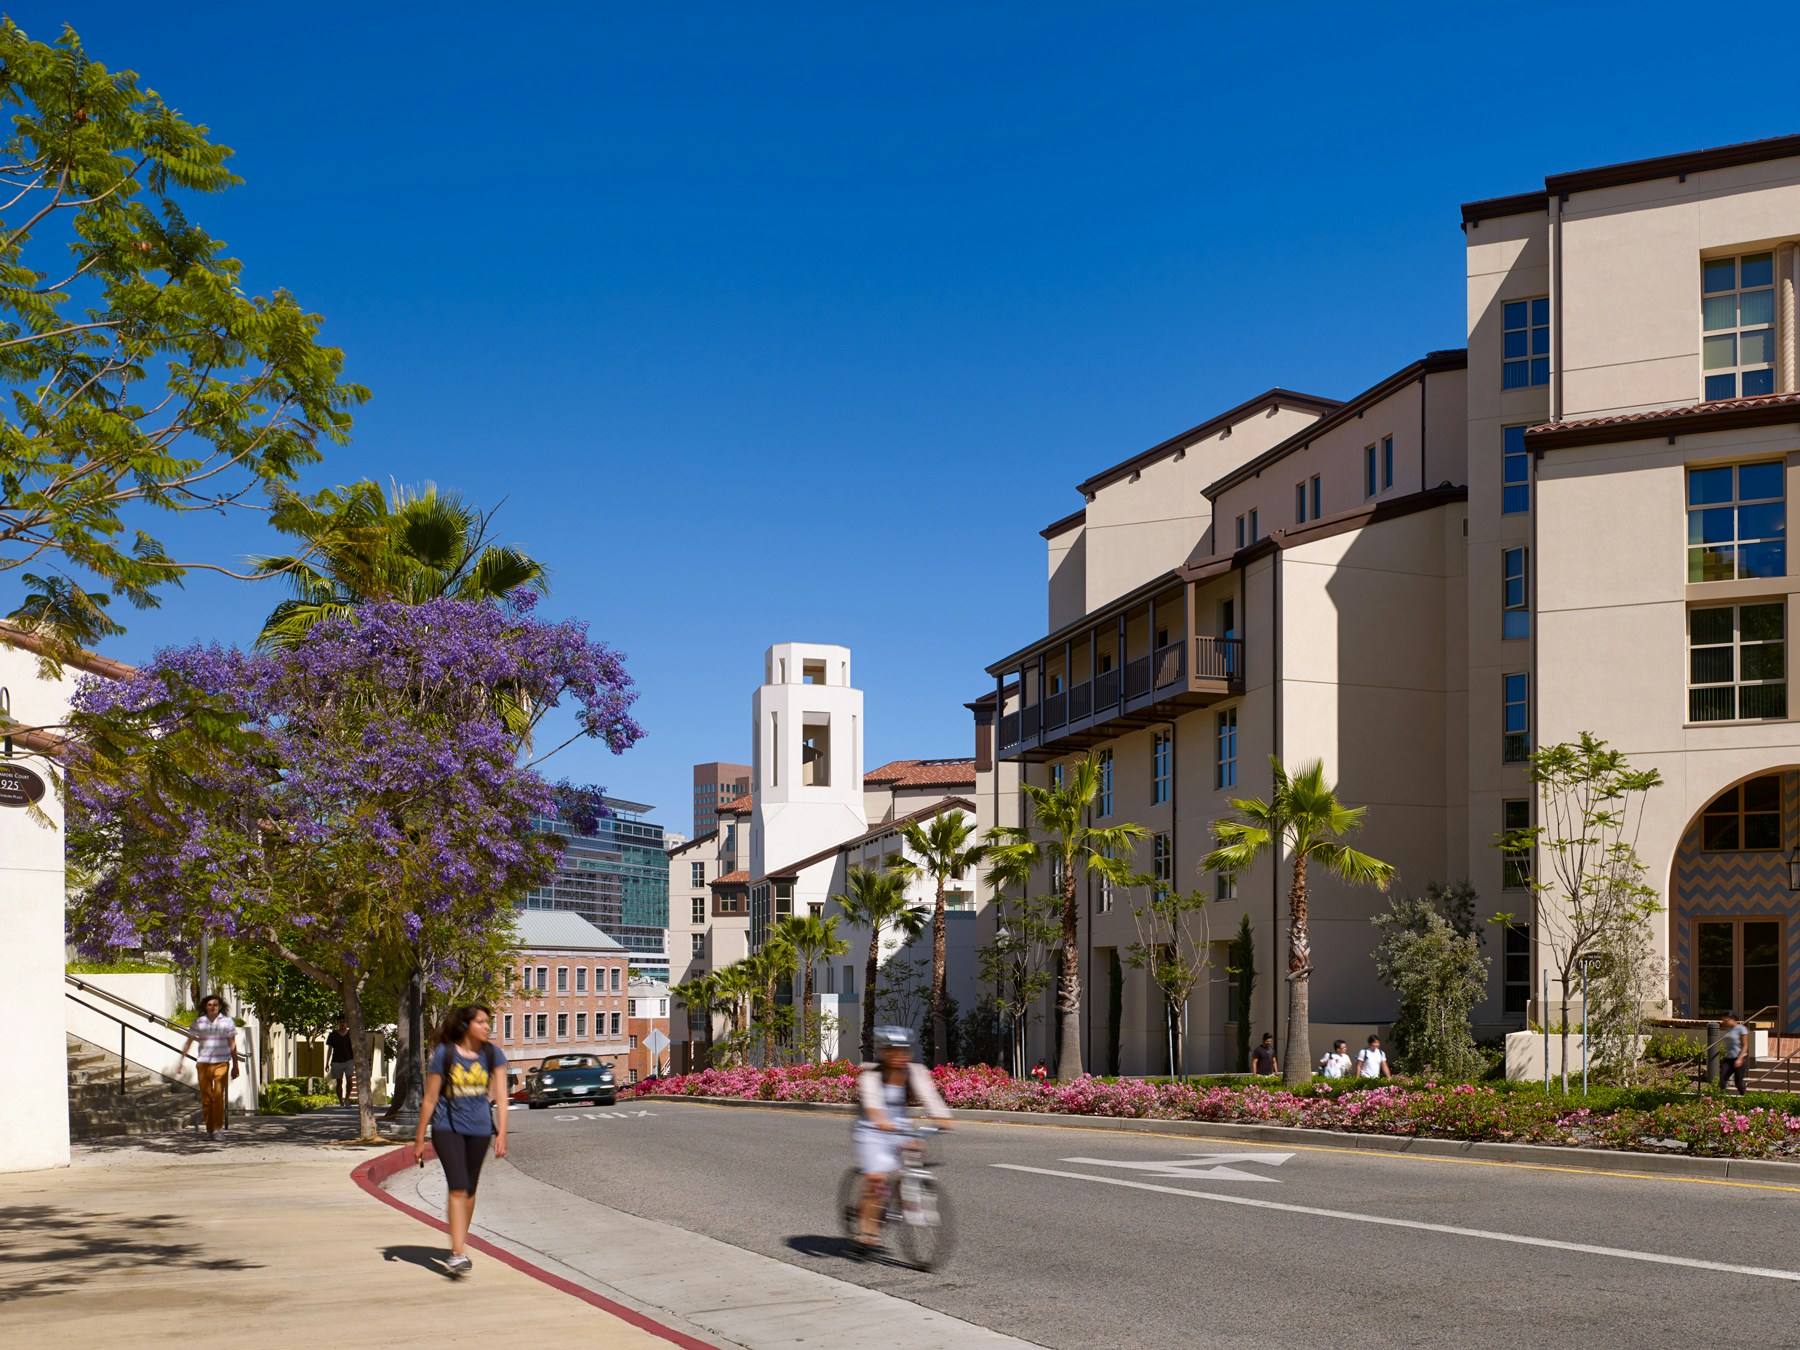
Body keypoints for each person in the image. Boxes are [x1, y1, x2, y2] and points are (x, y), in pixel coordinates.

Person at [413, 1003, 509, 1277]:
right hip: (447, 1127)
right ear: (467, 1025)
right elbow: (430, 1098)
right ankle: (458, 1252)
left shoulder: (493, 1055)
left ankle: (459, 1241)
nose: (487, 1027)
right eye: (481, 1022)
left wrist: (501, 1132)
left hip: (480, 1129)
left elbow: (501, 1097)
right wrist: (419, 1139)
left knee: (469, 1189)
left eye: (488, 1022)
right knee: (457, 1187)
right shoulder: (444, 1054)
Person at [853, 1026, 952, 1252]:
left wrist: (944, 1118)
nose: (899, 1055)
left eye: (903, 1050)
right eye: (893, 1051)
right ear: (883, 1052)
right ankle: (867, 1229)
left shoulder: (914, 1072)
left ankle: (903, 1194)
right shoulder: (871, 1074)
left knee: (914, 1154)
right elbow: (873, 1106)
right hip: (872, 1129)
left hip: (900, 1127)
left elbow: (931, 1097)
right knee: (876, 1179)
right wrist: (881, 1122)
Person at [180, 994, 241, 1139]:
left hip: (222, 1063)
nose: (212, 1007)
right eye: (209, 1005)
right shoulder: (199, 1023)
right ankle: (209, 1130)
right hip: (203, 1064)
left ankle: (218, 1129)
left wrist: (235, 1065)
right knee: (206, 1098)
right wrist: (181, 1060)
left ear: (220, 1007)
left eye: (215, 1005)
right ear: (205, 1007)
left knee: (218, 1096)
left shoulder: (227, 1023)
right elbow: (189, 1041)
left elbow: (232, 1045)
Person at [325, 1019, 355, 1104]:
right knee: (339, 1081)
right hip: (336, 1061)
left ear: (347, 1023)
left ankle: (347, 1098)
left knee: (349, 1079)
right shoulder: (332, 1035)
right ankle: (341, 1101)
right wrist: (327, 1062)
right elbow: (330, 1049)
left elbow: (355, 1047)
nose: (342, 1023)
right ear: (337, 1023)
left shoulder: (351, 1034)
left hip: (349, 1060)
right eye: (340, 1022)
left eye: (344, 1021)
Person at [1718, 1013, 1748, 1095]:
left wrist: (1740, 1059)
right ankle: (1722, 1099)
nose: (1725, 1022)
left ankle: (1744, 1097)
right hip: (1728, 1058)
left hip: (1739, 1058)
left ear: (1732, 1019)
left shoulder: (1742, 1029)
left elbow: (1745, 1045)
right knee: (1722, 1079)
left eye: (1726, 1020)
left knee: (1738, 1083)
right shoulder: (1728, 1030)